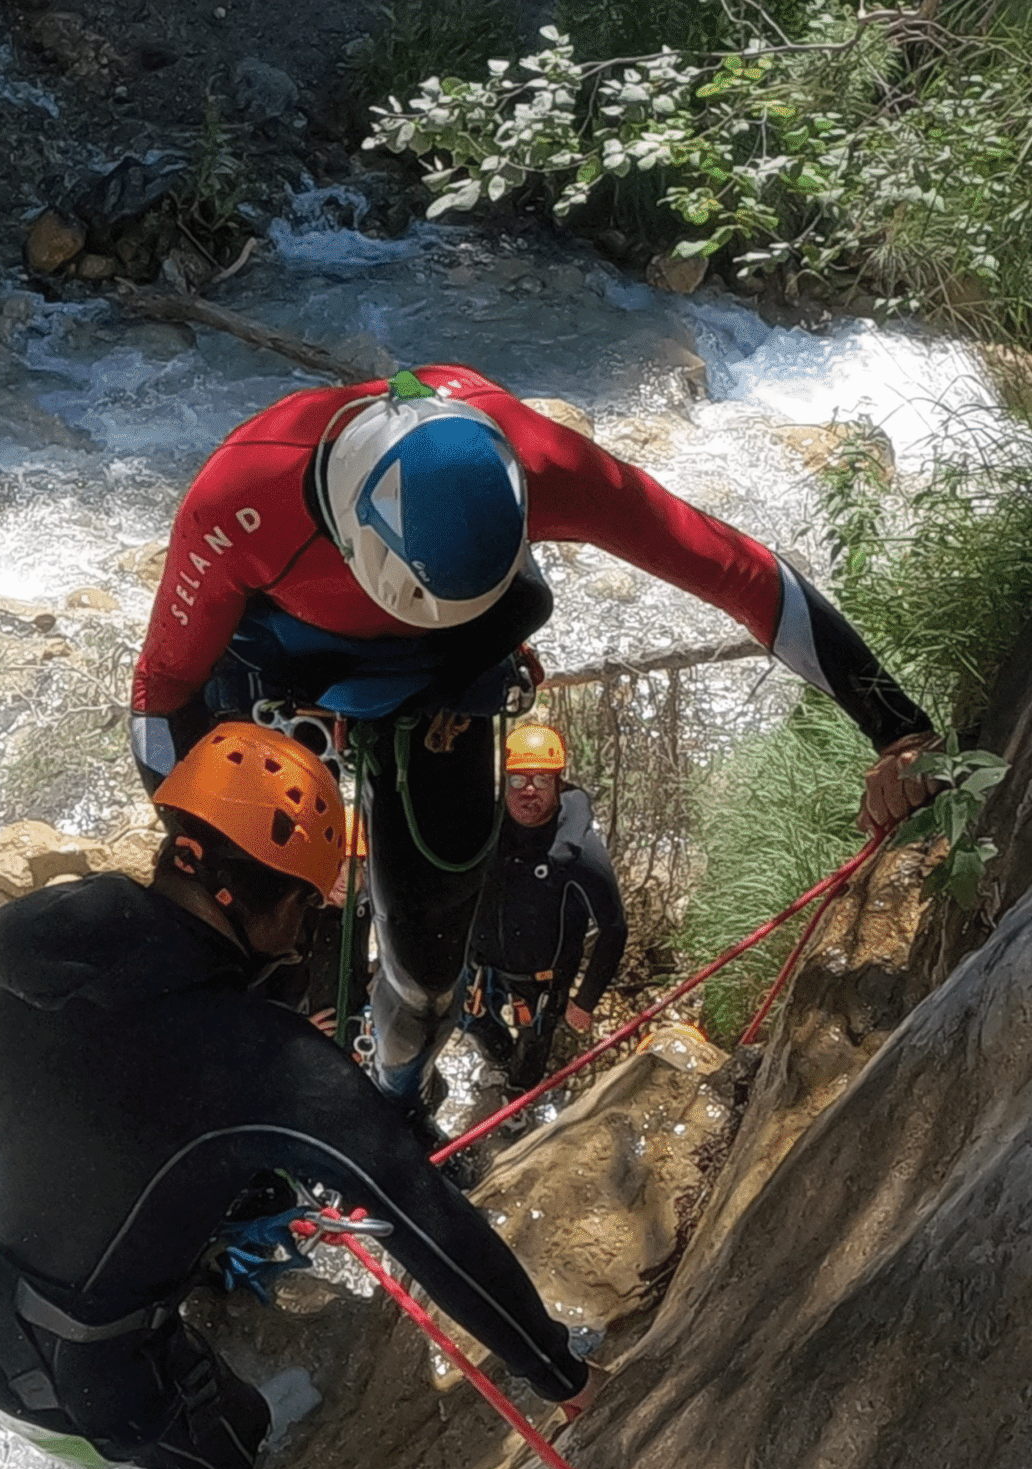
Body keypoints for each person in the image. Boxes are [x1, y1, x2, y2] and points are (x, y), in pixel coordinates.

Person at [128, 364, 936, 1135]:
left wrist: (898, 727)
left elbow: (735, 571)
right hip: (285, 677)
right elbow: (163, 687)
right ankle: (250, 1097)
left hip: (449, 687)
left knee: (430, 952)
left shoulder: (540, 459)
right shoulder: (244, 496)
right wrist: (195, 858)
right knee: (252, 924)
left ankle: (398, 1099)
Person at [0, 722, 592, 1469]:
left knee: (239, 1186)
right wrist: (559, 1371)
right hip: (64, 1369)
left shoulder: (49, 922)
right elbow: (422, 1217)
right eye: (307, 904)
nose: (311, 928)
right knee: (233, 1435)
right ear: (264, 899)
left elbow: (76, 1004)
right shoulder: (259, 1061)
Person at [461, 721, 628, 1094]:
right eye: (518, 781)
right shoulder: (488, 828)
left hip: (543, 978)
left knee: (532, 1045)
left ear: (559, 784)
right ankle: (499, 1065)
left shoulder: (577, 852)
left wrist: (584, 1001)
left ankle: (518, 1098)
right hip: (485, 964)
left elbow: (613, 928)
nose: (528, 791)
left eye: (541, 780)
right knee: (471, 1020)